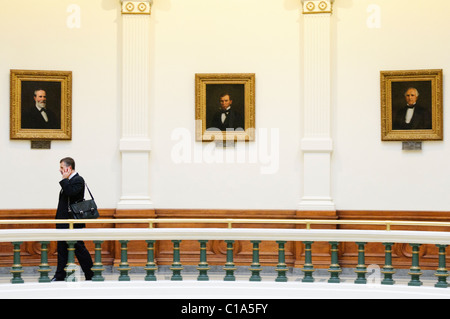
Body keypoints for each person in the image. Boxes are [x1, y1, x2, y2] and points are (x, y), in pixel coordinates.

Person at [52, 157, 93, 281]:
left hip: (72, 222)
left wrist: (64, 180)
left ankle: (90, 274)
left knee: (79, 249)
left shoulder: (78, 180)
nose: (60, 170)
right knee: (62, 249)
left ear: (68, 168)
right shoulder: (69, 180)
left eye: (61, 168)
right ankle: (60, 275)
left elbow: (71, 193)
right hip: (64, 222)